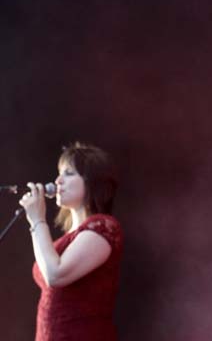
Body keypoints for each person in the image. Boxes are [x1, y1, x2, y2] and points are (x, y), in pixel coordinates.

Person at [19, 142, 123, 341]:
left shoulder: (102, 227)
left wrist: (37, 220)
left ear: (92, 181)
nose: (58, 181)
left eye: (68, 173)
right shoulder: (69, 238)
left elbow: (55, 275)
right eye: (59, 173)